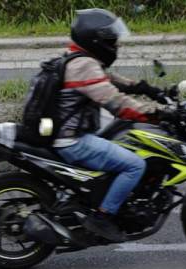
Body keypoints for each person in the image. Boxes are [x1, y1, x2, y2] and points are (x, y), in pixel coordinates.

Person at [53, 8, 167, 242]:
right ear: (95, 40)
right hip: (72, 140)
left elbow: (109, 81)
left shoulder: (78, 59)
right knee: (134, 165)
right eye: (111, 41)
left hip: (66, 134)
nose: (116, 45)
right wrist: (156, 114)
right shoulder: (84, 65)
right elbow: (116, 103)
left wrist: (145, 88)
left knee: (118, 139)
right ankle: (103, 217)